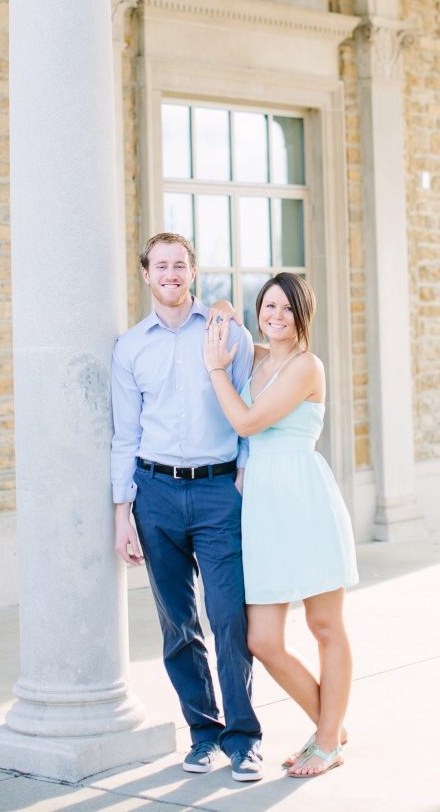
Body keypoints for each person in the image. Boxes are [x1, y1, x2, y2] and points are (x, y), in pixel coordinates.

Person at [111, 232, 263, 783]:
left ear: (193, 273)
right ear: (146, 275)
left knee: (229, 618)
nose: (171, 274)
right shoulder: (130, 348)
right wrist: (122, 513)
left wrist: (242, 480)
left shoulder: (227, 333)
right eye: (161, 265)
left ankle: (243, 739)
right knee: (178, 623)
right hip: (154, 495)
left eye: (180, 265)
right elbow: (124, 437)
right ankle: (203, 735)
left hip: (218, 492)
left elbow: (248, 405)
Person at [203, 272, 358, 778]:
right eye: (268, 306)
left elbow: (248, 423)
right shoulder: (258, 360)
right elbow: (221, 308)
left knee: (324, 626)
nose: (277, 316)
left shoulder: (305, 366)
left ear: (303, 316)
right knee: (263, 640)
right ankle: (329, 729)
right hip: (263, 508)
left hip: (304, 499)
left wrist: (215, 372)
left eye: (288, 308)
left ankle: (328, 740)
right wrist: (224, 308)